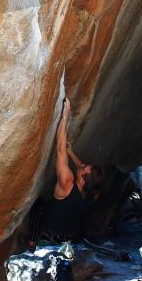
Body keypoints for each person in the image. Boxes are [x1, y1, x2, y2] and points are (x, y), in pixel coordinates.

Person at [29, 97, 100, 246]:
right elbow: (81, 166)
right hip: (71, 233)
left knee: (38, 206)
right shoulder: (93, 192)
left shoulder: (67, 183)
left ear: (81, 180)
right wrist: (72, 153)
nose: (82, 165)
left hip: (52, 233)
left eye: (83, 169)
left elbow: (60, 148)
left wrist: (65, 115)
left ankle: (32, 240)